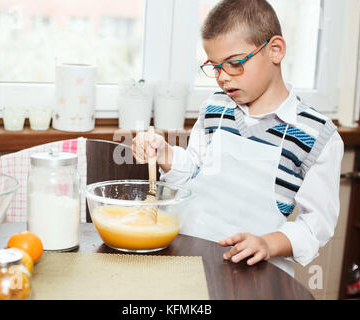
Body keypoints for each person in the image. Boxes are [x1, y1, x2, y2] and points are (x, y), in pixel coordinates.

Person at [132, 0, 344, 277]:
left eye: (234, 64)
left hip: (257, 274)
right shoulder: (215, 108)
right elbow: (192, 174)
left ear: (275, 50)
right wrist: (164, 155)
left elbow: (317, 224)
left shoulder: (316, 134)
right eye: (214, 66)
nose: (222, 78)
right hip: (190, 259)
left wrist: (268, 243)